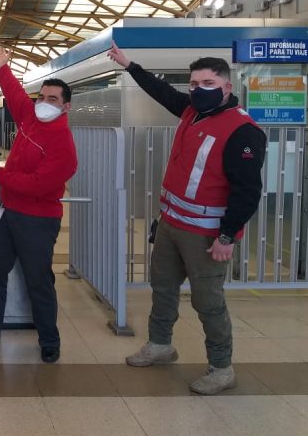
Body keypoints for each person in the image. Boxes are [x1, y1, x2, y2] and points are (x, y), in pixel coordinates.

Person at [107, 41, 266, 395]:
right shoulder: (193, 111)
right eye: (193, 84)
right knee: (162, 288)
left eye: (207, 84)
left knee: (207, 301)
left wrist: (227, 237)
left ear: (227, 87)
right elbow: (161, 91)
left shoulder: (242, 131)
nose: (197, 90)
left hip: (206, 234)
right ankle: (161, 345)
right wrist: (130, 65)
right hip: (171, 223)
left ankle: (222, 368)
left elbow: (247, 191)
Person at [0, 47, 78, 363]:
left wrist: (1, 175)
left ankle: (49, 340)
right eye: (41, 97)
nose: (44, 103)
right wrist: (1, 69)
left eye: (52, 99)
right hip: (7, 215)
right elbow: (16, 96)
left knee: (38, 280)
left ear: (66, 106)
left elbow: (39, 185)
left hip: (38, 220)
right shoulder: (30, 118)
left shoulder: (64, 146)